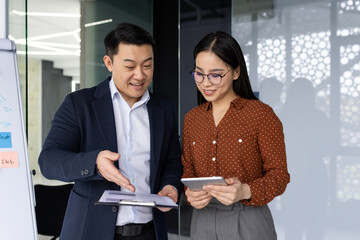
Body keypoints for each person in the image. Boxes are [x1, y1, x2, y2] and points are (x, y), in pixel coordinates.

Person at [38, 23, 183, 240]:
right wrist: (94, 163)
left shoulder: (163, 109)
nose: (140, 75)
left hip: (149, 232)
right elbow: (48, 161)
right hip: (90, 231)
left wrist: (170, 185)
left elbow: (172, 161)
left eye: (147, 65)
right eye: (130, 66)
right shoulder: (79, 104)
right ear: (109, 63)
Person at [181, 31, 290, 240]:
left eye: (215, 74)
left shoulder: (260, 114)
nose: (205, 83)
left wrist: (245, 191)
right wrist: (190, 193)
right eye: (199, 73)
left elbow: (279, 175)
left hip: (248, 219)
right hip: (201, 220)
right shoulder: (192, 119)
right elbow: (188, 169)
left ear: (236, 72)